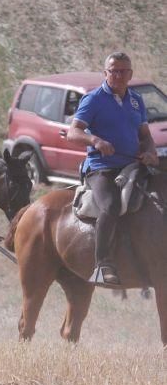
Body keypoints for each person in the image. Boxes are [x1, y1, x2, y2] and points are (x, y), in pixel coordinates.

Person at [66, 52, 158, 285]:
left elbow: (145, 135)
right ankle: (102, 263)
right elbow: (73, 132)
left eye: (122, 71)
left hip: (132, 165)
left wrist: (150, 152)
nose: (118, 75)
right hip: (101, 169)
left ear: (130, 74)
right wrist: (95, 141)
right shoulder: (93, 100)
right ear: (105, 73)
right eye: (113, 70)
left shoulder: (136, 100)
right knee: (111, 205)